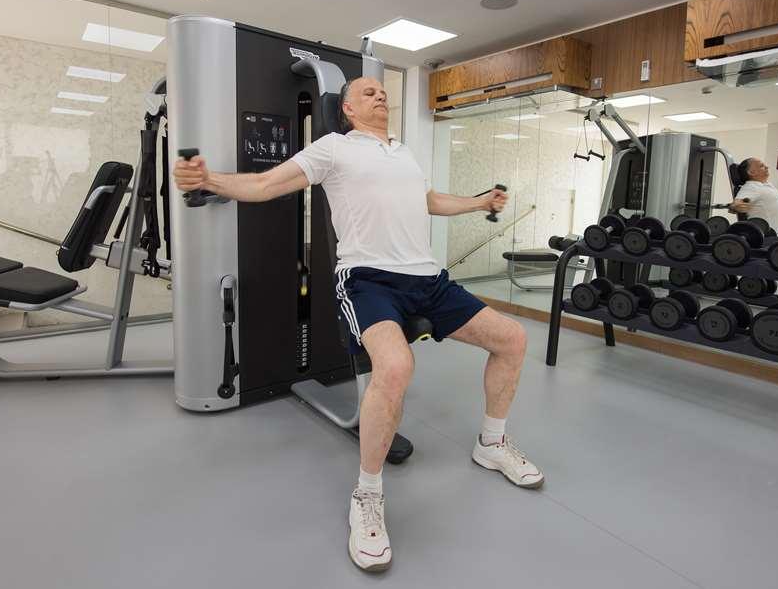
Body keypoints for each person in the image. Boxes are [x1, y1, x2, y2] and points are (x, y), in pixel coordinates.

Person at [174, 76, 543, 573]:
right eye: (368, 92)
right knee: (395, 367)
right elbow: (265, 184)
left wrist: (478, 204)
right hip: (369, 279)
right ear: (347, 108)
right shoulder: (333, 149)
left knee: (513, 339)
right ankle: (367, 495)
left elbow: (428, 200)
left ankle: (492, 444)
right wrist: (210, 180)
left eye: (383, 91)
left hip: (428, 278)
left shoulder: (404, 153)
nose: (380, 95)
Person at [728, 157, 778, 233]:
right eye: (762, 166)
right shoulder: (751, 186)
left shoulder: (767, 184)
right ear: (751, 172)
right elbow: (736, 203)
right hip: (769, 237)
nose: (767, 167)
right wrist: (735, 206)